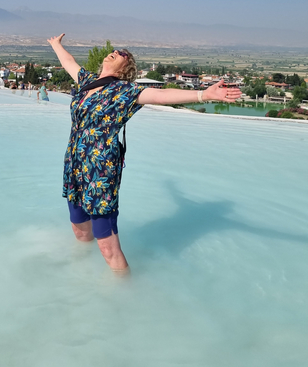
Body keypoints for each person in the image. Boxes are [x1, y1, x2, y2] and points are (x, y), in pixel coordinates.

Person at [47, 33, 241, 273]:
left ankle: (124, 293)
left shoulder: (126, 91)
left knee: (107, 245)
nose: (117, 51)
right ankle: (81, 269)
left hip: (100, 170)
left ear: (125, 69)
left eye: (123, 54)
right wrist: (56, 45)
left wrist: (204, 95)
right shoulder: (87, 80)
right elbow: (69, 63)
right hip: (74, 164)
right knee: (79, 228)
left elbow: (161, 95)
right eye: (116, 50)